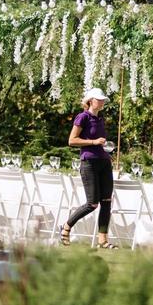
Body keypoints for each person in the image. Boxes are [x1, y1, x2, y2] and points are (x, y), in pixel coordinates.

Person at [61, 87, 116, 248]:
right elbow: (72, 141)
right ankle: (66, 228)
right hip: (89, 163)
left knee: (106, 202)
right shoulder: (82, 117)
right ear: (90, 101)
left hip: (105, 163)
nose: (102, 101)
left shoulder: (101, 119)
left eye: (103, 99)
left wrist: (106, 148)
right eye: (99, 99)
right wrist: (93, 142)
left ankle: (103, 241)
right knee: (92, 204)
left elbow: (100, 141)